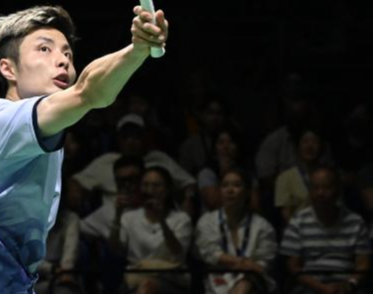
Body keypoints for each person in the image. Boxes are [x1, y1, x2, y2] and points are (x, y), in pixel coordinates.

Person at [0, 4, 169, 294]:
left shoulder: (35, 134)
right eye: (44, 49)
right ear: (8, 68)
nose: (62, 61)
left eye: (67, 53)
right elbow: (89, 92)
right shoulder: (6, 121)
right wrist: (137, 49)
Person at [72, 114, 196, 215]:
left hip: (156, 218)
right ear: (119, 140)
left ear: (144, 138)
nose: (130, 141)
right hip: (115, 218)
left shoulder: (159, 158)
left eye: (135, 136)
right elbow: (77, 182)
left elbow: (189, 183)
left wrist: (188, 200)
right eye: (125, 137)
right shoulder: (106, 161)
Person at [280, 167, 370, 294]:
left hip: (346, 286)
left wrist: (349, 285)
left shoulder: (356, 222)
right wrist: (322, 288)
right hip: (310, 286)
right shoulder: (298, 221)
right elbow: (294, 267)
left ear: (338, 191)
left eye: (326, 187)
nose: (320, 193)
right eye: (315, 188)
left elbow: (363, 265)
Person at [110, 166, 192, 294]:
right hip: (135, 280)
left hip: (170, 281)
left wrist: (162, 221)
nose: (150, 190)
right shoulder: (129, 217)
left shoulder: (181, 219)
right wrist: (117, 215)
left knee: (148, 286)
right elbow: (115, 250)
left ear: (167, 189)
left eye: (156, 185)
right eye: (145, 185)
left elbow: (177, 253)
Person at [195, 168, 277, 294]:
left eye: (237, 185)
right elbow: (209, 253)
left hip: (252, 282)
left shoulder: (263, 226)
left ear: (247, 192)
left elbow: (263, 264)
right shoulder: (207, 221)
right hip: (217, 280)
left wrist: (249, 267)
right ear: (219, 191)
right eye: (225, 185)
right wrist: (242, 262)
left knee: (246, 282)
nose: (230, 190)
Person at [195, 127, 259, 216]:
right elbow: (214, 204)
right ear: (215, 148)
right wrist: (225, 173)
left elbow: (255, 205)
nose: (226, 147)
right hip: (213, 223)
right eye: (221, 143)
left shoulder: (248, 172)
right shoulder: (207, 172)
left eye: (231, 142)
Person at [275, 127, 325, 225]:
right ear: (298, 147)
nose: (310, 146)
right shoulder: (285, 177)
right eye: (305, 142)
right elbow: (286, 213)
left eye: (315, 142)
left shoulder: (330, 175)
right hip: (299, 229)